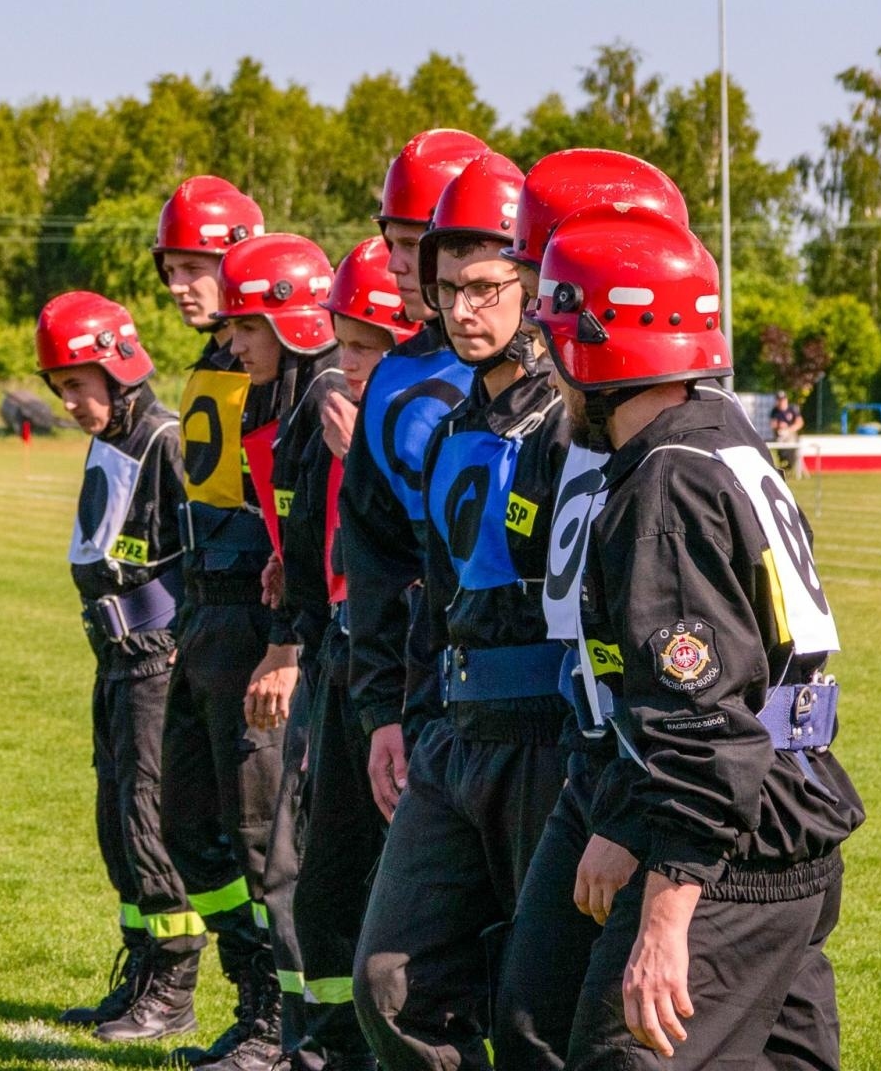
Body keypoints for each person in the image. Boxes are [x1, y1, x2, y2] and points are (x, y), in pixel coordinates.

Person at [529, 204, 864, 1071]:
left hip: (731, 849)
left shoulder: (666, 483)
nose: (549, 369)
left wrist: (664, 921)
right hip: (791, 813)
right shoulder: (725, 443)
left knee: (622, 1055)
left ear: (598, 346)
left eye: (554, 340)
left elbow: (702, 721)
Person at [352, 150, 576, 1071]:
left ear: (532, 286)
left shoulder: (574, 426)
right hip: (452, 737)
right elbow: (432, 604)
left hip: (548, 741)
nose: (463, 310)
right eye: (448, 290)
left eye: (486, 288)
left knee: (539, 1009)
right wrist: (402, 719)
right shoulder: (450, 432)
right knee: (390, 984)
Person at [487, 149, 693, 1071]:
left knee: (622, 1034)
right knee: (531, 1015)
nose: (541, 307)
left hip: (653, 768)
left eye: (549, 278)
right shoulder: (567, 420)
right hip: (591, 746)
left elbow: (698, 684)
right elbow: (533, 559)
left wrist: (630, 811)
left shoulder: (670, 446)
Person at [37, 291, 204, 1038]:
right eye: (60, 388)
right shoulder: (113, 437)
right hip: (113, 660)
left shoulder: (166, 440)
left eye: (78, 384)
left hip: (157, 662)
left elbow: (200, 557)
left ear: (119, 368)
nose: (70, 402)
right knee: (115, 825)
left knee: (147, 823)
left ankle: (174, 984)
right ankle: (141, 968)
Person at [140, 176, 282, 1055]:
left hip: (255, 623)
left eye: (197, 266)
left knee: (262, 835)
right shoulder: (216, 361)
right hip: (203, 613)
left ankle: (281, 1015)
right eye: (172, 270)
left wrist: (286, 639)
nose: (182, 286)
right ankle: (251, 984)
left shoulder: (281, 364)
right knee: (187, 824)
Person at [290, 236, 419, 1071]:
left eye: (367, 347)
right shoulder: (343, 415)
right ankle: (330, 1051)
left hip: (410, 675)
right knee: (326, 882)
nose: (348, 364)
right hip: (346, 659)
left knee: (398, 898)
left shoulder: (420, 420)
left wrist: (358, 456)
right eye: (342, 344)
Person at [217, 233, 345, 1071]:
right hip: (320, 651)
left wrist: (288, 646)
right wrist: (281, 552)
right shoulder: (286, 400)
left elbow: (344, 548)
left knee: (298, 861)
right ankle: (300, 1040)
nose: (233, 345)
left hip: (332, 661)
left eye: (246, 326)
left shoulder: (325, 398)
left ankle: (309, 1044)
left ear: (295, 323)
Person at [342, 129, 489, 825]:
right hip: (427, 690)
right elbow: (373, 558)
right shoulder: (391, 378)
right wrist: (381, 708)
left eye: (412, 243)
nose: (394, 263)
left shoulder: (549, 378)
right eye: (391, 241)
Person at [769, 391, 805, 471]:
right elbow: (772, 424)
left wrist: (788, 429)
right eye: (779, 400)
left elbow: (800, 423)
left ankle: (790, 464)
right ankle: (784, 463)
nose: (781, 402)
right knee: (780, 442)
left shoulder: (792, 409)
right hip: (780, 435)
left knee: (791, 445)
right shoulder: (775, 411)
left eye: (782, 399)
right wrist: (779, 425)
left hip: (791, 435)